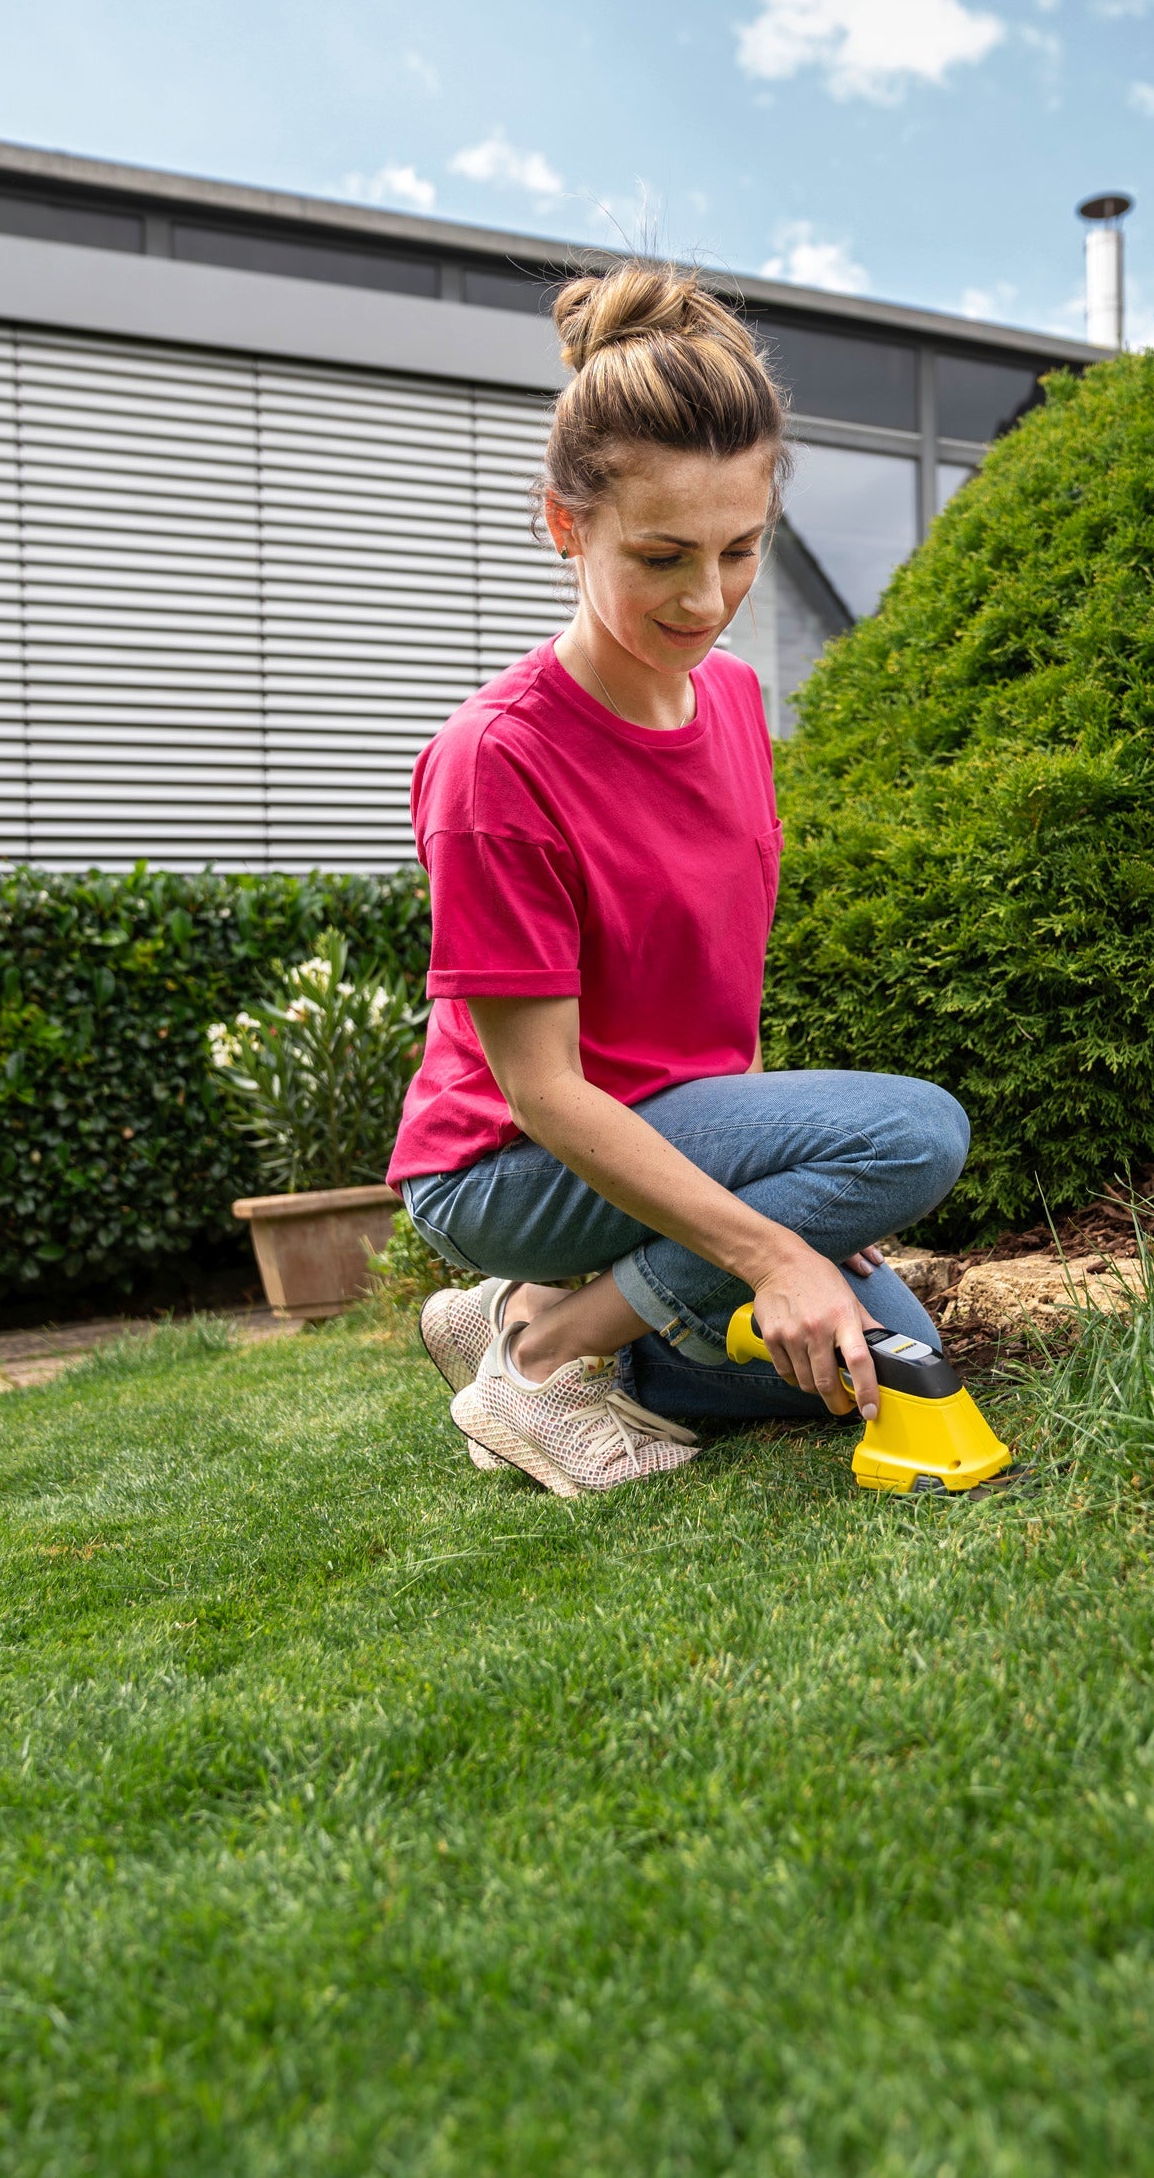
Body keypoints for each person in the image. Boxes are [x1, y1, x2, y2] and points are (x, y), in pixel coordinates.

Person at [387, 262, 971, 1496]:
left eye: (740, 549)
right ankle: (547, 1349)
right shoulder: (496, 760)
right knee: (916, 1133)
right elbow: (542, 1092)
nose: (706, 600)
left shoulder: (739, 704)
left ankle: (513, 1315)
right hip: (508, 1163)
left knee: (884, 1349)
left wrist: (795, 1215)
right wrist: (765, 1243)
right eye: (662, 556)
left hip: (664, 1125)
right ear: (566, 524)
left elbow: (721, 1002)